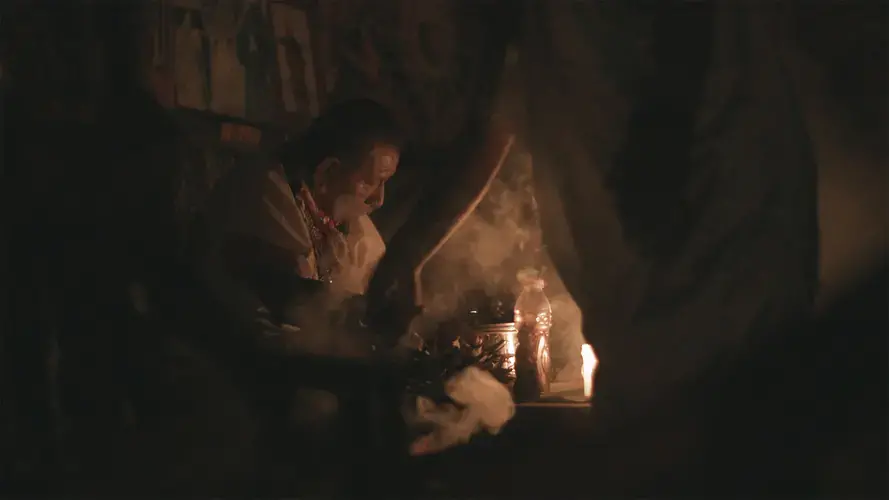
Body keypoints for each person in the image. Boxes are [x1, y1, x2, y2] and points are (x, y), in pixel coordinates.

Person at [208, 98, 403, 327]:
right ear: (329, 172)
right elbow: (292, 302)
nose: (379, 200)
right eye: (371, 182)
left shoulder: (350, 224)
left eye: (385, 183)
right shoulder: (262, 192)